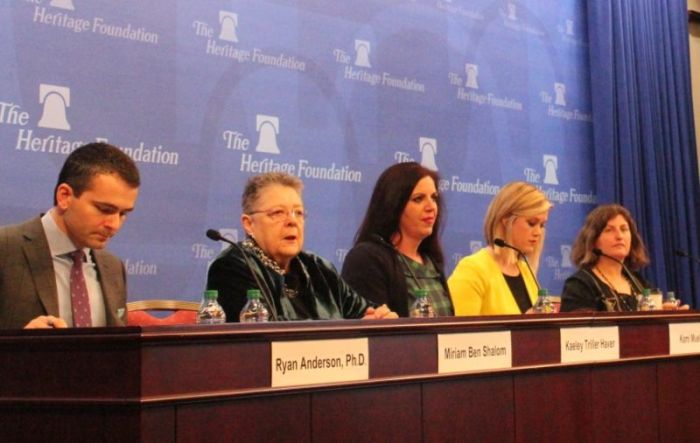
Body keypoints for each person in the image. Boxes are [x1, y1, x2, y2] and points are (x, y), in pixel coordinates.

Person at [206, 172, 397, 322]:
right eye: (278, 213)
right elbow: (264, 340)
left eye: (298, 213)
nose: (292, 221)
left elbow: (365, 312)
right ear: (248, 224)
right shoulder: (232, 267)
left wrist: (379, 318)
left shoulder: (319, 269)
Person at [0, 142, 140, 329]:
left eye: (123, 214)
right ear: (65, 196)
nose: (114, 225)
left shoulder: (114, 268)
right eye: (104, 209)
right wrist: (15, 347)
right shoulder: (5, 249)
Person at [341, 162, 453, 317]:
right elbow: (371, 329)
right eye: (418, 199)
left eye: (434, 198)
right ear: (394, 204)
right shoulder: (366, 260)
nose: (431, 207)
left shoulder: (431, 261)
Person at [448, 181, 552, 315]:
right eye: (531, 223)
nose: (538, 232)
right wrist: (523, 325)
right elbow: (459, 333)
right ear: (506, 220)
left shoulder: (526, 270)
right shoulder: (472, 270)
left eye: (542, 225)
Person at [560, 204, 688, 312]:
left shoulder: (638, 282)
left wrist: (664, 314)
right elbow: (575, 334)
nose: (619, 236)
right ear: (593, 240)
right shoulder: (579, 285)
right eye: (609, 230)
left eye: (624, 229)